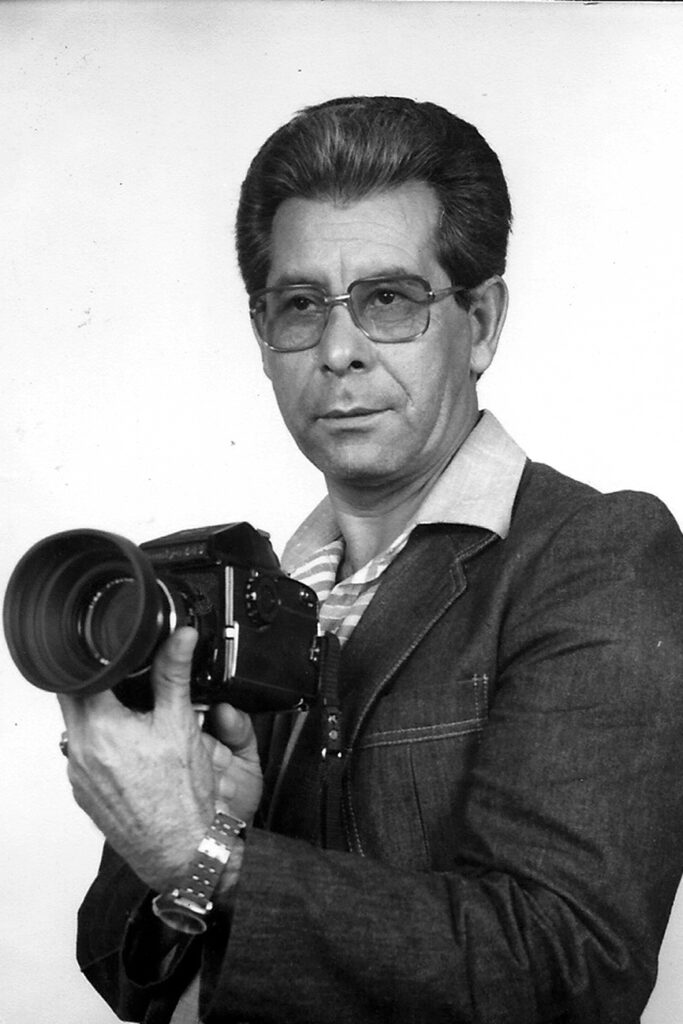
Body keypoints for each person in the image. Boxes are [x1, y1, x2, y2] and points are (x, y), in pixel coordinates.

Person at [59, 96, 683, 1024]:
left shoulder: (592, 555)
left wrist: (209, 856)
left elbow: (568, 968)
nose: (339, 350)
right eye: (300, 305)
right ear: (263, 337)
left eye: (388, 300)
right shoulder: (249, 595)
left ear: (480, 322)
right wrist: (200, 838)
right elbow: (117, 963)